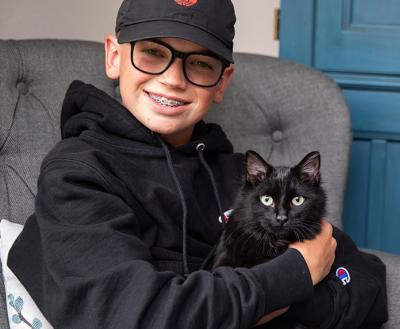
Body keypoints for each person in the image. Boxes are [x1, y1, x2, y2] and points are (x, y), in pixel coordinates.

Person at [8, 0, 387, 328]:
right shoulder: (78, 172)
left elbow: (367, 282)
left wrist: (266, 302)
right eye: (154, 52)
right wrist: (295, 276)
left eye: (200, 63)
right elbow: (133, 316)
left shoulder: (244, 179)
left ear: (222, 83)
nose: (173, 79)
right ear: (114, 57)